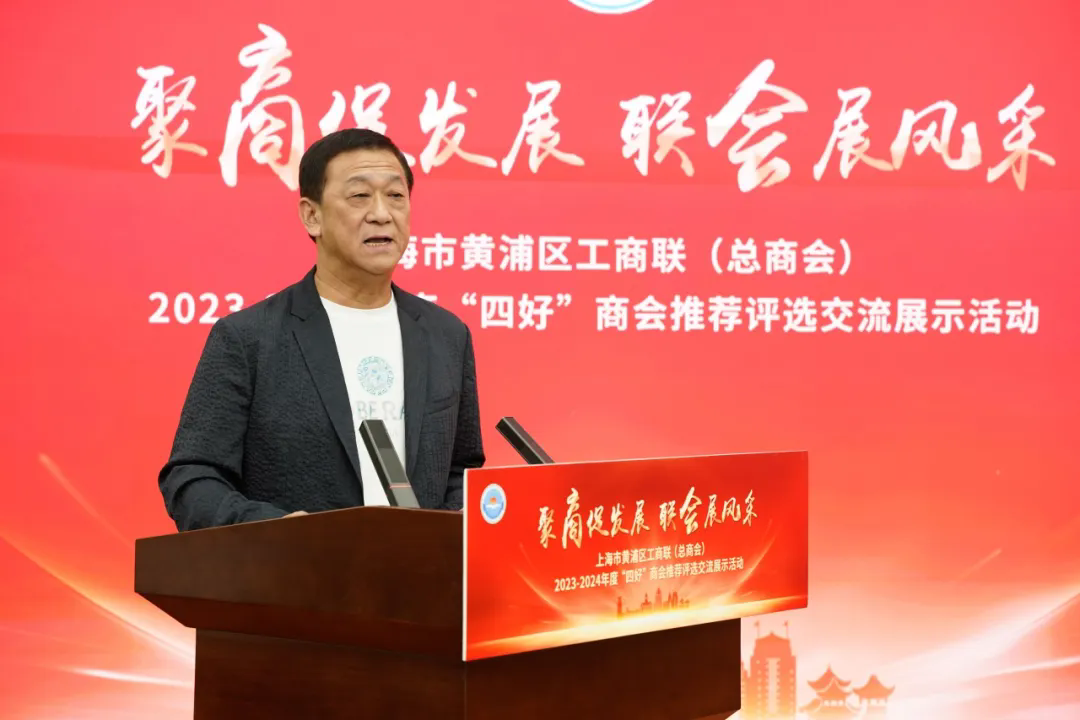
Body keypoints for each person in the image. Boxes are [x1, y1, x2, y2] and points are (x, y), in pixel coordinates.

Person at [158, 128, 485, 531]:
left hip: (420, 570)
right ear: (312, 216)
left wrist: (452, 528)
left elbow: (461, 470)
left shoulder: (446, 335)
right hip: (295, 568)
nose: (382, 213)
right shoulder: (248, 339)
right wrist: (279, 530)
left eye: (395, 196)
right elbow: (193, 478)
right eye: (359, 195)